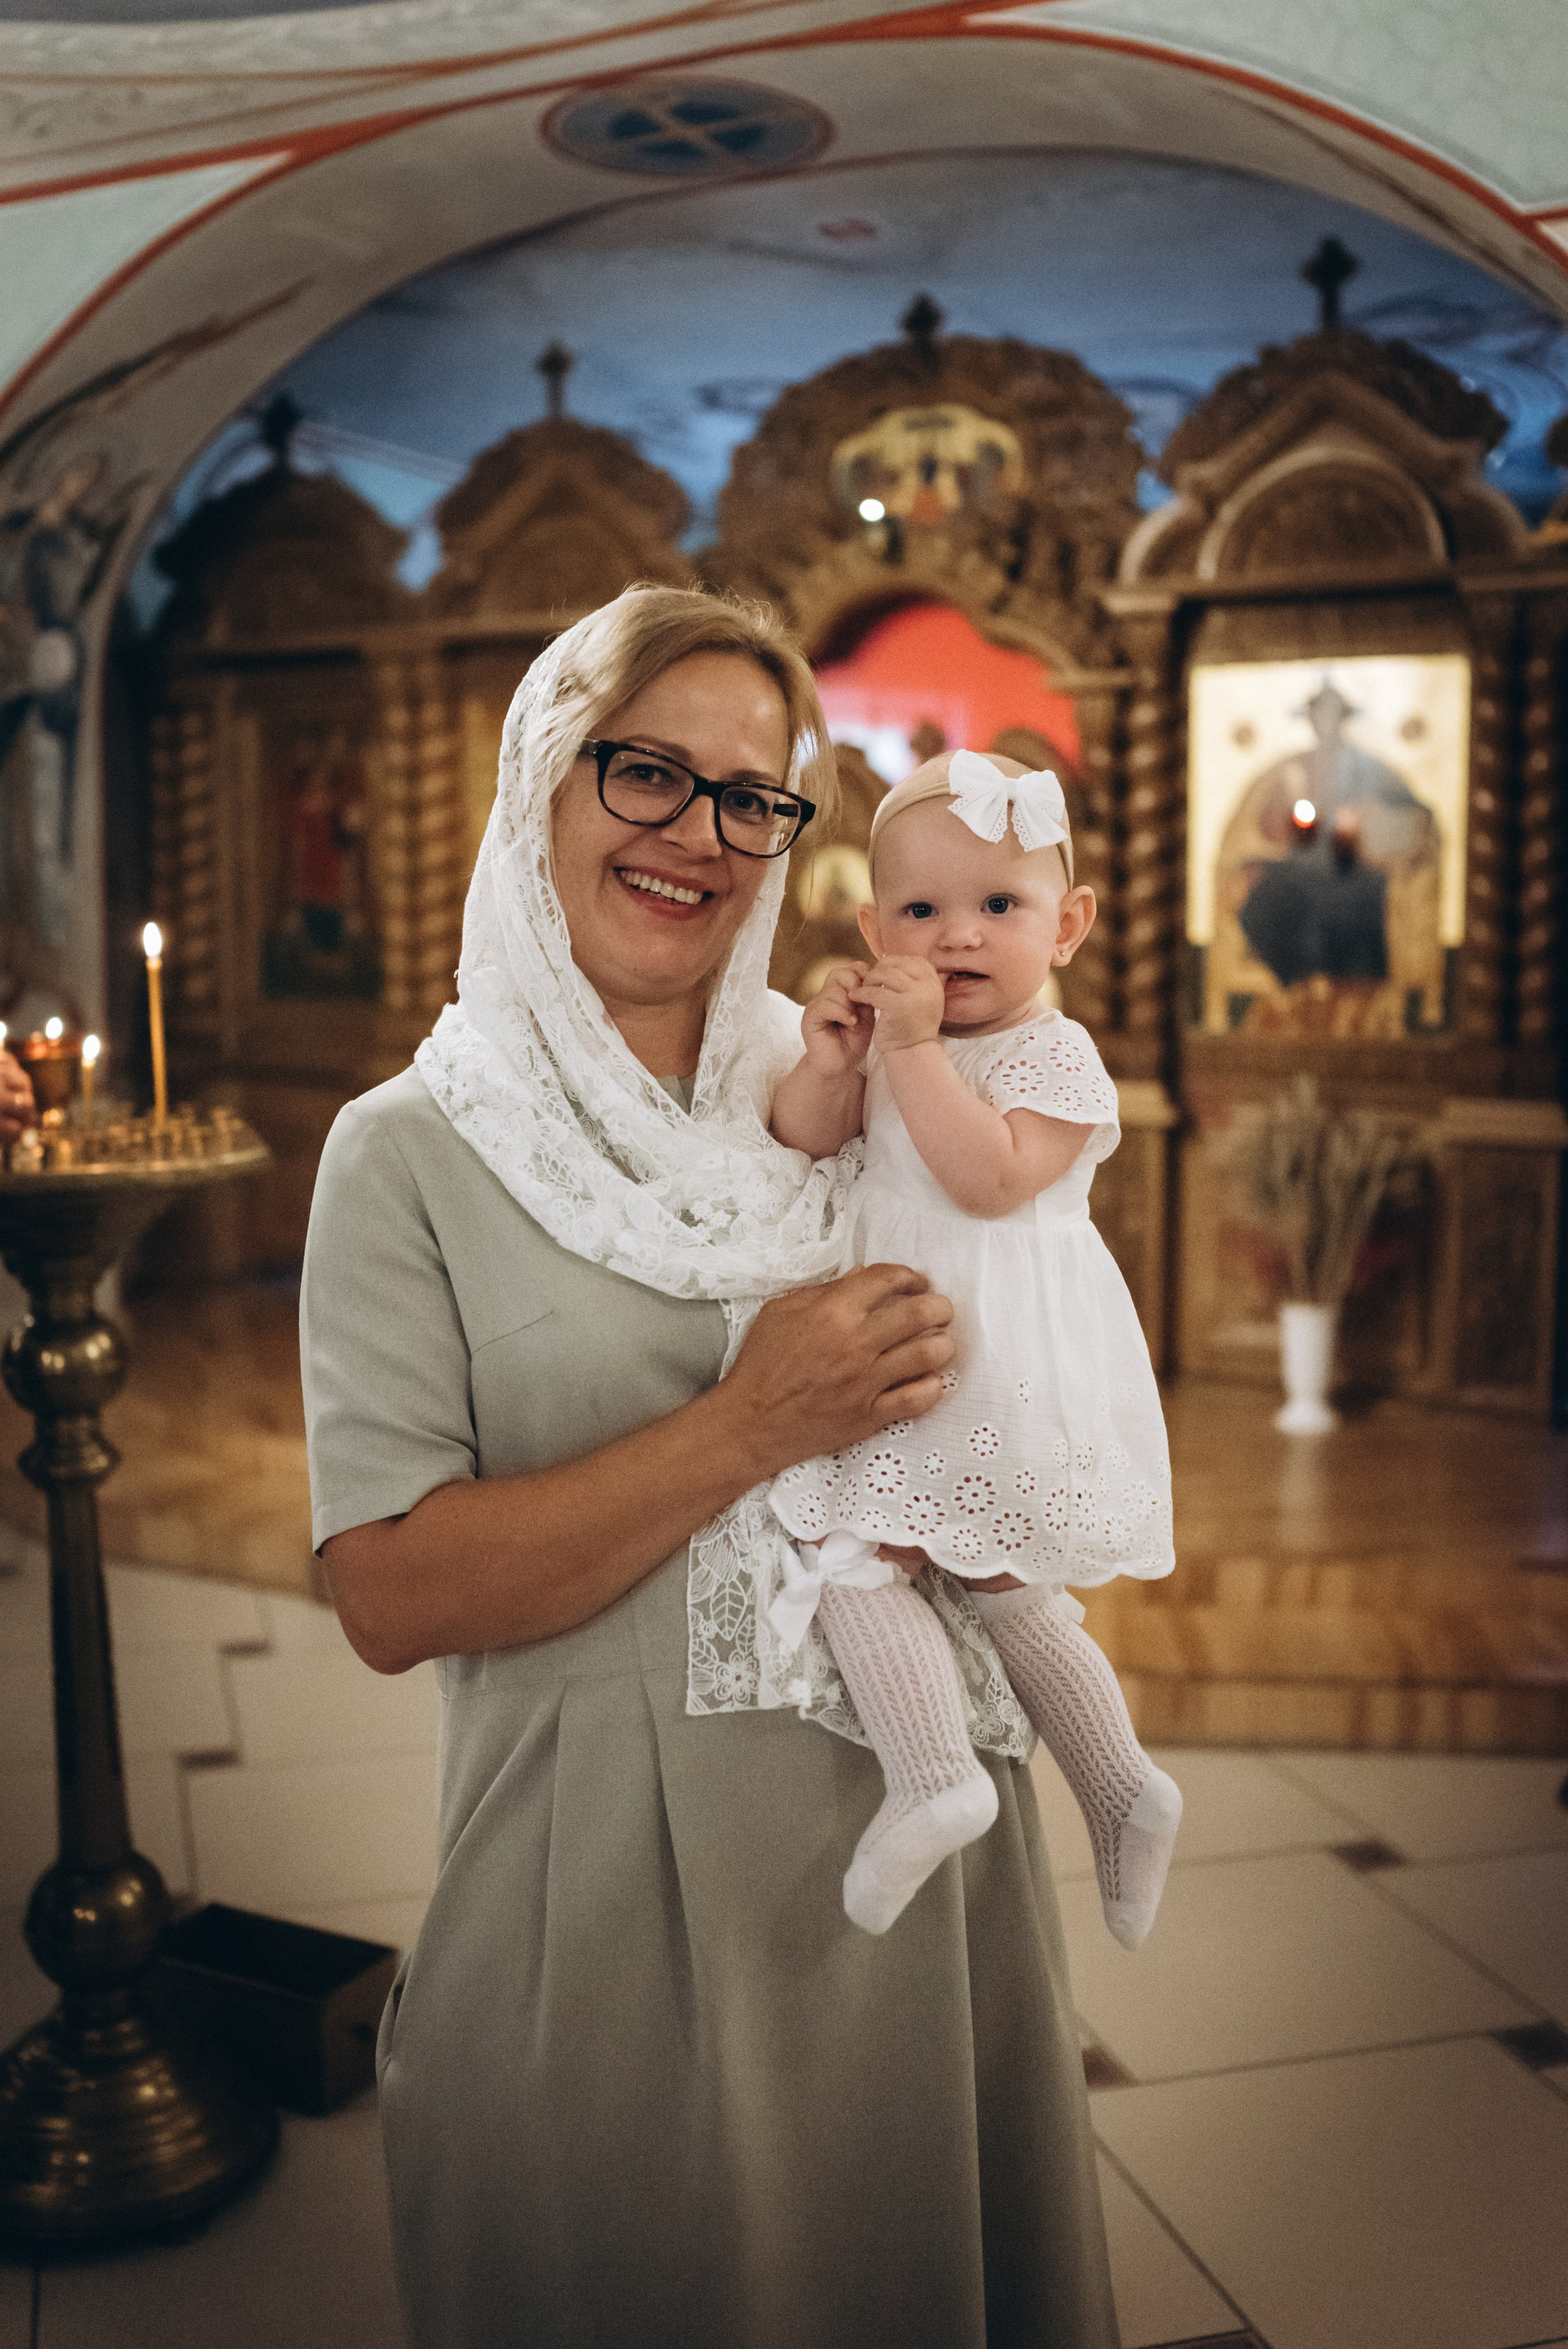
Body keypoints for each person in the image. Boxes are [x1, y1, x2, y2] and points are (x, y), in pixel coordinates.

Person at [301, 586, 1120, 2349]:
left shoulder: (860, 1079)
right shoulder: (408, 1155)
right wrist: (753, 1420)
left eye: (756, 798)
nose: (701, 836)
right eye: (649, 773)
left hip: (918, 1864)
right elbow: (387, 1593)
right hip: (608, 1905)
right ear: (542, 778)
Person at [769, 750, 1179, 1945]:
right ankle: (1092, 1788)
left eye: (997, 906)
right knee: (926, 1565)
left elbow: (988, 1178)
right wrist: (830, 1061)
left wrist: (907, 1054)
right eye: (920, 911)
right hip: (901, 1339)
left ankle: (970, 1778)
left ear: (1067, 925)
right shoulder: (906, 1042)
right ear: (869, 923)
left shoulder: (1056, 1056)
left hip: (996, 1356)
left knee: (883, 1550)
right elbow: (808, 1140)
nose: (956, 938)